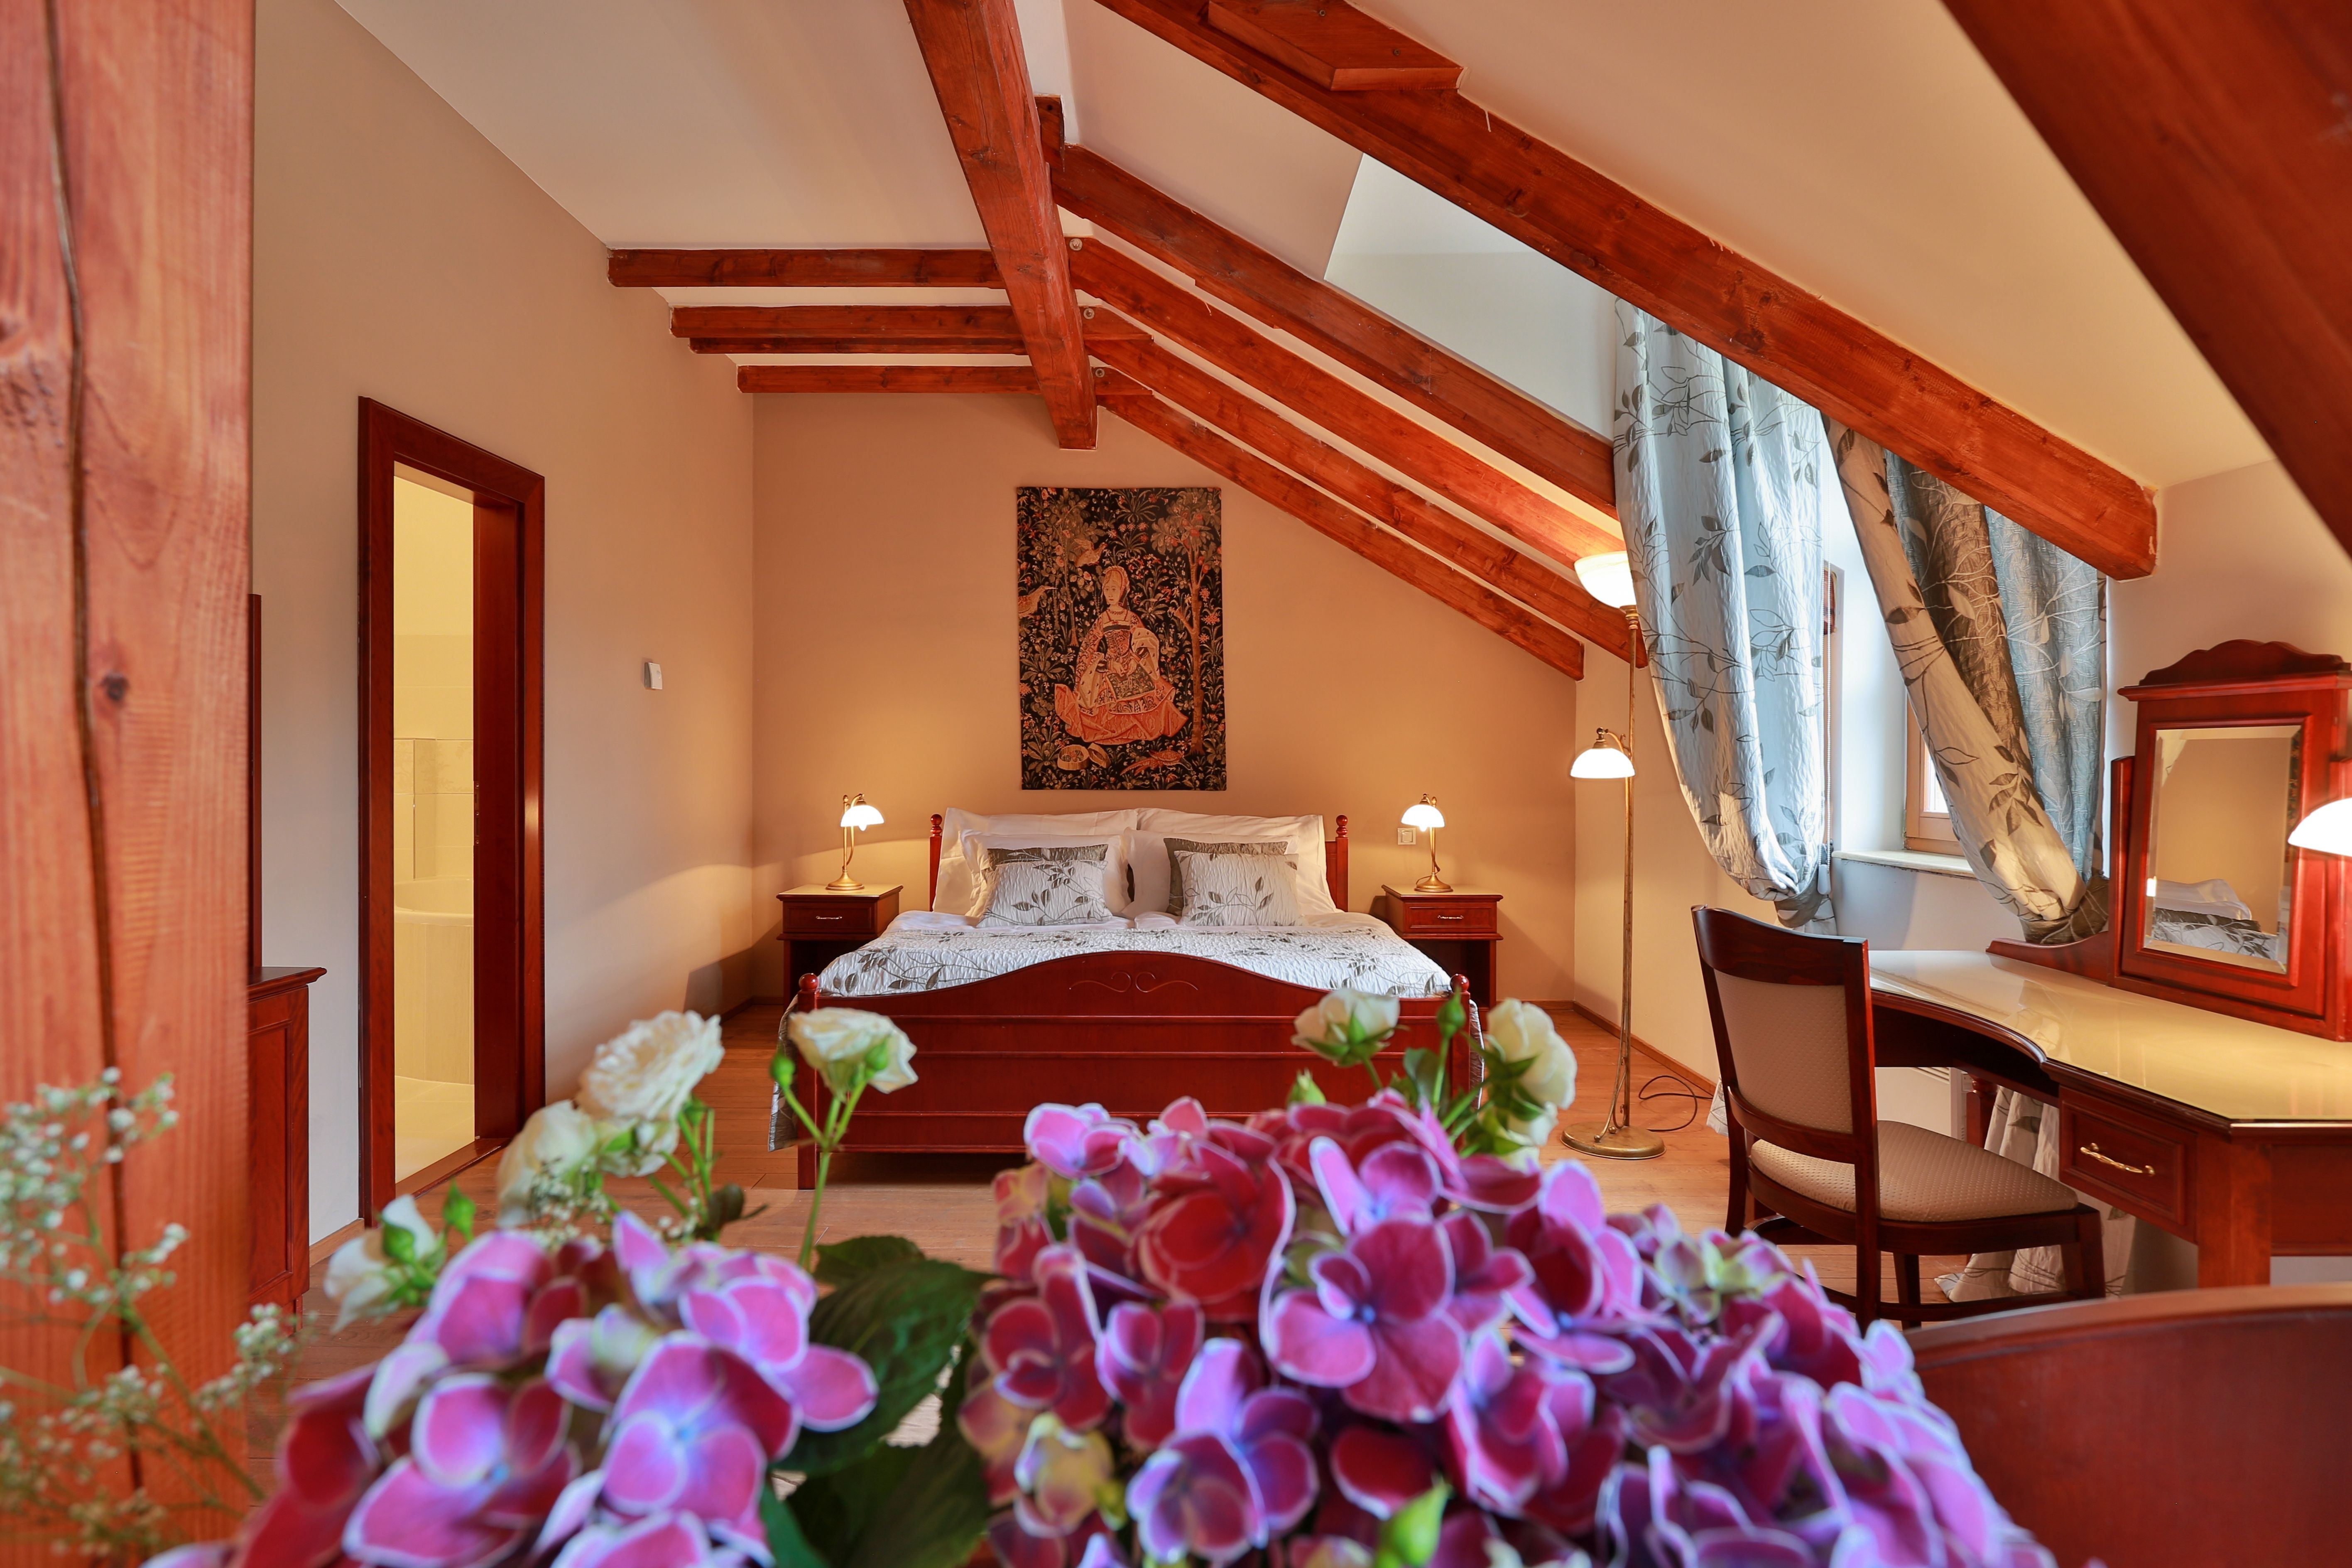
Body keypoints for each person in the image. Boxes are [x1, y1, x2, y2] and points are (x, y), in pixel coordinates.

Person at [1054, 564, 1186, 746]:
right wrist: (1108, 666)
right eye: (1107, 589)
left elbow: (1145, 640)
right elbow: (1089, 647)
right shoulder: (1103, 619)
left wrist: (1135, 661)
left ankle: (1137, 730)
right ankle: (1112, 732)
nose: (1110, 594)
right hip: (1110, 666)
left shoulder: (1131, 617)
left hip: (1131, 664)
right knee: (1101, 699)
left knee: (1149, 690)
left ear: (1123, 590)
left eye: (1114, 589)